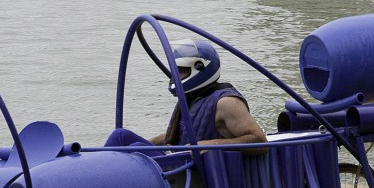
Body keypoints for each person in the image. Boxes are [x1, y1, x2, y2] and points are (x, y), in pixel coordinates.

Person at [107, 39, 267, 152]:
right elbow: (183, 135)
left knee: (136, 149)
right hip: (179, 159)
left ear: (199, 69)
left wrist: (211, 145)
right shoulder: (193, 97)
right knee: (120, 137)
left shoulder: (227, 102)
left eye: (180, 71)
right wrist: (150, 143)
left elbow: (260, 142)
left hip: (192, 173)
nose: (174, 76)